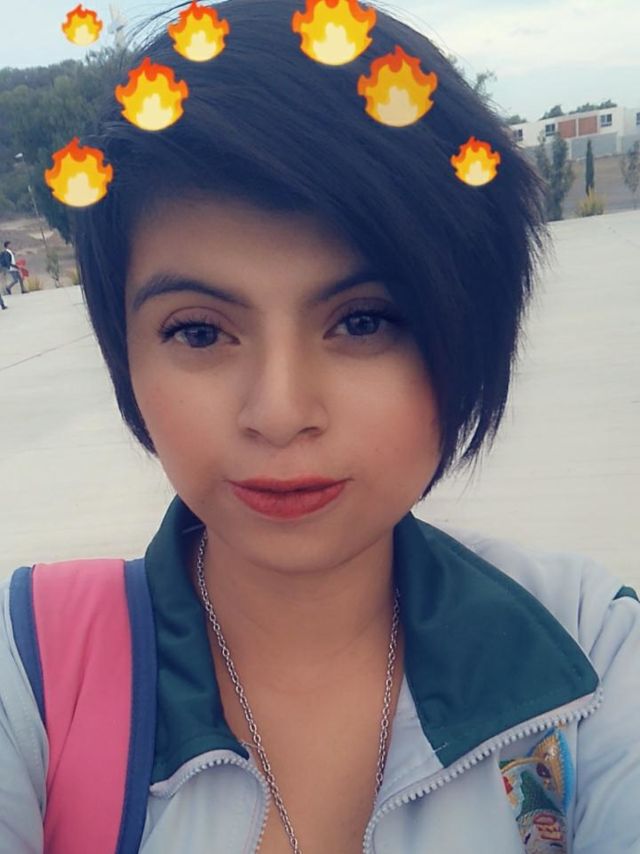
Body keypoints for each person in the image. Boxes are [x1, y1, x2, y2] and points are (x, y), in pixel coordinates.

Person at [1, 1, 638, 852]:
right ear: (127, 353)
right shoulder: (31, 671)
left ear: (470, 327)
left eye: (363, 321)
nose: (279, 413)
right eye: (200, 332)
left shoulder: (587, 653)